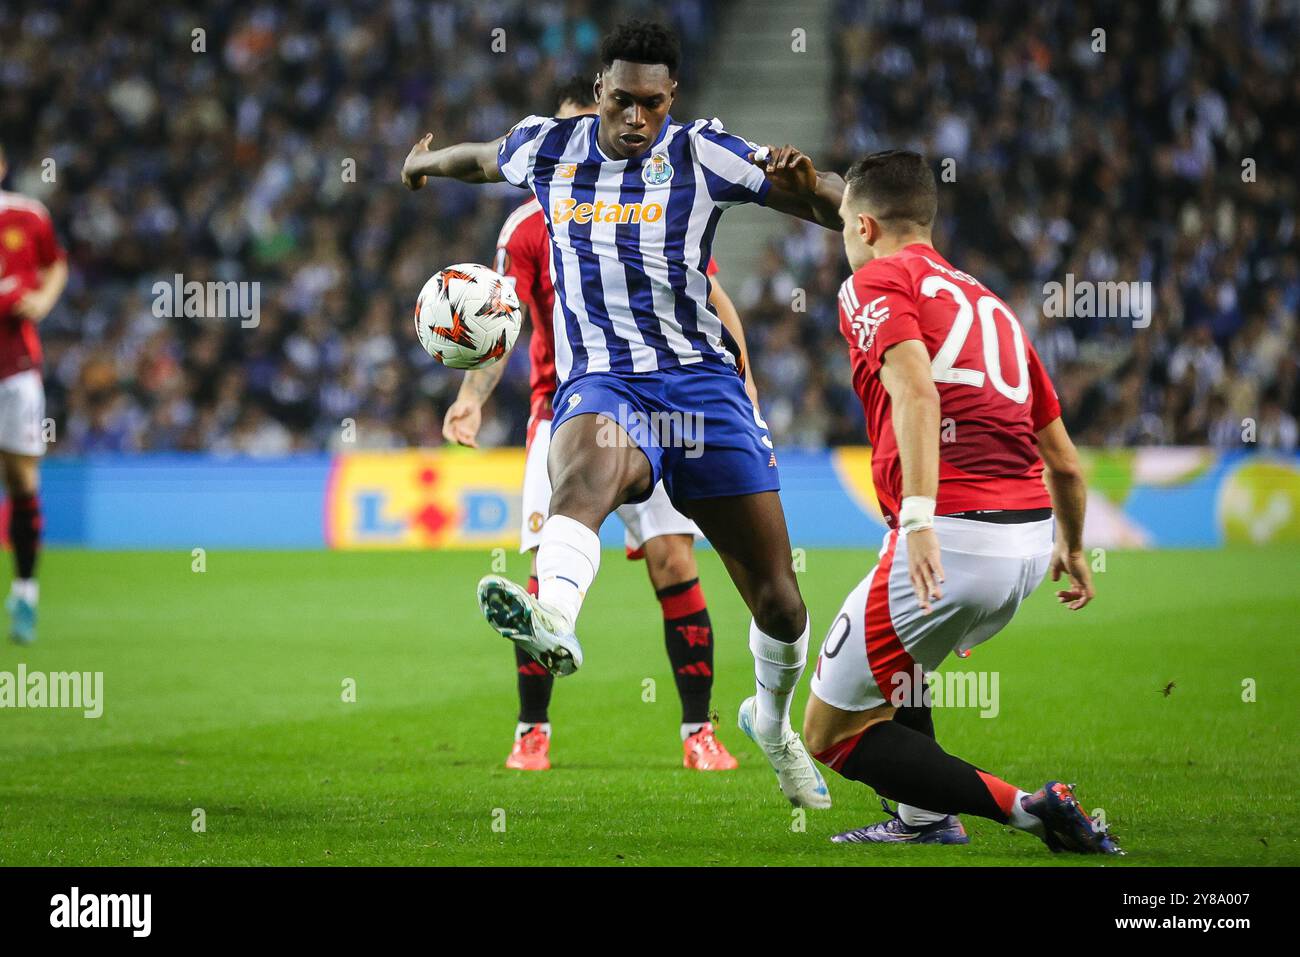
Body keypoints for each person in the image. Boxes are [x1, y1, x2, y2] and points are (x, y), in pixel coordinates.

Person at [402, 19, 845, 807]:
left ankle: (772, 726)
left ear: (671, 99)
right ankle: (555, 617)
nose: (634, 119)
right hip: (603, 382)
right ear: (599, 93)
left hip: (702, 391)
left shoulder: (702, 152)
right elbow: (479, 158)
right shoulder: (549, 149)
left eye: (650, 105)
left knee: (779, 599)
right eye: (620, 101)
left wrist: (841, 201)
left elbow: (828, 205)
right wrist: (424, 163)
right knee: (585, 469)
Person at [802, 149, 1120, 853]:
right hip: (1030, 543)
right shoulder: (991, 304)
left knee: (827, 733)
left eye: (846, 230)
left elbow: (917, 389)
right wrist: (1071, 546)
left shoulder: (874, 282)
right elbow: (1064, 461)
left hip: (953, 534)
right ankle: (923, 819)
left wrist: (917, 518)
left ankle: (1032, 809)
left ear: (866, 226)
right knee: (902, 673)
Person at [442, 76, 760, 772]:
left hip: (665, 405)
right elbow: (503, 317)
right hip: (565, 416)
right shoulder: (527, 226)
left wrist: (743, 374)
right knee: (542, 579)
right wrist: (473, 397)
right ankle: (533, 731)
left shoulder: (654, 205)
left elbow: (707, 291)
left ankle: (698, 732)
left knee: (676, 563)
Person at [0, 144, 68, 645]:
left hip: (15, 367)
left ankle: (25, 591)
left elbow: (56, 263)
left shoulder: (28, 214)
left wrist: (43, 298)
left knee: (22, 477)